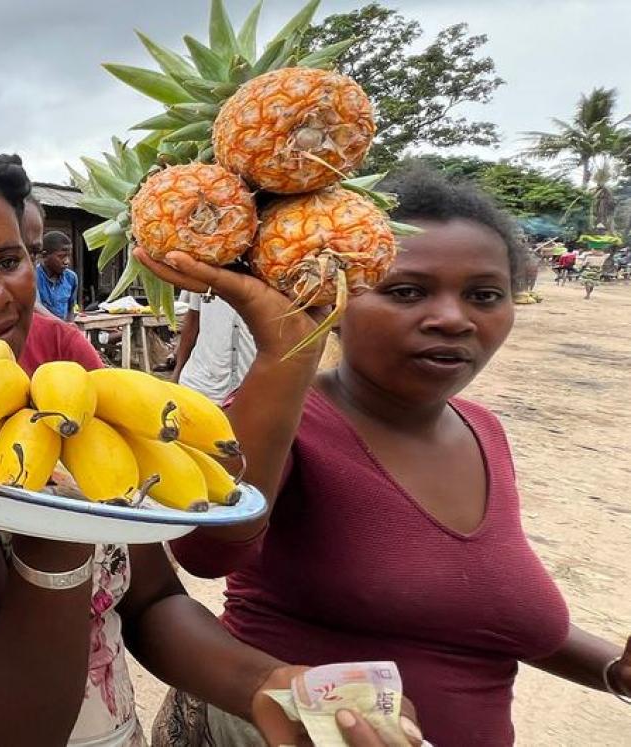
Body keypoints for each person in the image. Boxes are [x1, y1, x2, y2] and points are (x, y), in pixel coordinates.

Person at [0, 155, 414, 746]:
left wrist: (267, 684)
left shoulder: (71, 411)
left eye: (9, 262)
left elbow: (152, 602)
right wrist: (57, 525)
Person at [146, 167, 631, 746]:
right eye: (406, 291)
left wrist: (612, 670)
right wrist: (288, 353)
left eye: (484, 295)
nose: (453, 319)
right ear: (335, 293)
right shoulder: (289, 422)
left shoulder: (485, 431)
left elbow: (483, 619)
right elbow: (203, 550)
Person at [169, 291, 256, 403]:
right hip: (201, 384)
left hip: (250, 384)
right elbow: (192, 321)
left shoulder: (271, 277)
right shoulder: (202, 276)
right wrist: (177, 371)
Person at [36, 230, 81, 320]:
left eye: (68, 256)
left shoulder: (71, 278)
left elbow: (70, 308)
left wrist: (69, 327)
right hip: (39, 331)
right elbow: (36, 307)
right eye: (61, 256)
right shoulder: (33, 276)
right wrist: (61, 326)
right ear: (45, 256)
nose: (67, 261)